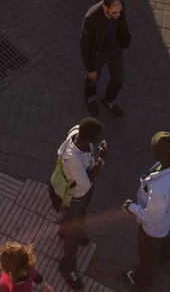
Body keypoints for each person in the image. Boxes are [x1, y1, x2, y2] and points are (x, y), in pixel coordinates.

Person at [122, 132, 170, 289]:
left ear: (156, 153)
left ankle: (142, 281)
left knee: (148, 253)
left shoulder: (160, 188)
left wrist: (131, 207)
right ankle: (166, 260)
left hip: (154, 229)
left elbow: (152, 217)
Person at [55, 117, 107, 290]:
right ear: (89, 138)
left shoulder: (77, 132)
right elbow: (84, 184)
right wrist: (101, 160)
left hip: (78, 195)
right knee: (75, 232)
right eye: (98, 136)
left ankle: (63, 231)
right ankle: (67, 267)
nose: (100, 138)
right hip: (77, 197)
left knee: (72, 218)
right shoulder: (73, 159)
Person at [80, 0, 129, 116]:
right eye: (114, 13)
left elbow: (122, 25)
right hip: (98, 55)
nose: (118, 14)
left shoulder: (119, 5)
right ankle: (90, 98)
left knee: (119, 79)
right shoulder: (92, 17)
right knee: (92, 79)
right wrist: (90, 69)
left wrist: (123, 44)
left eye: (120, 11)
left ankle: (109, 100)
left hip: (115, 50)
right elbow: (84, 45)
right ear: (104, 8)